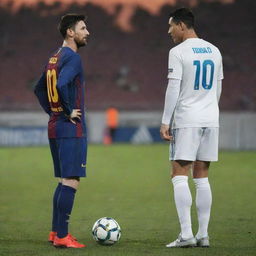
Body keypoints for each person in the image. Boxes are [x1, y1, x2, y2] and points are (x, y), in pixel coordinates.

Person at [160, 8, 223, 248]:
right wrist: (209, 110)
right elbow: (217, 88)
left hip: (187, 120)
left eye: (171, 26)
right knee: (202, 177)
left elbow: (173, 88)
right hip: (210, 118)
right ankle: (203, 235)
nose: (169, 31)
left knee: (179, 174)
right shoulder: (215, 51)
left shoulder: (178, 52)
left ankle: (186, 235)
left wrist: (166, 120)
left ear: (182, 25)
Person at [34, 13, 90, 248]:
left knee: (62, 180)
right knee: (71, 180)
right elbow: (61, 84)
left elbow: (39, 89)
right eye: (83, 28)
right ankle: (62, 237)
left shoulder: (54, 57)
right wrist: (67, 111)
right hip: (69, 127)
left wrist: (53, 112)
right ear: (70, 32)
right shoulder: (73, 58)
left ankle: (56, 231)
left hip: (55, 126)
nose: (87, 32)